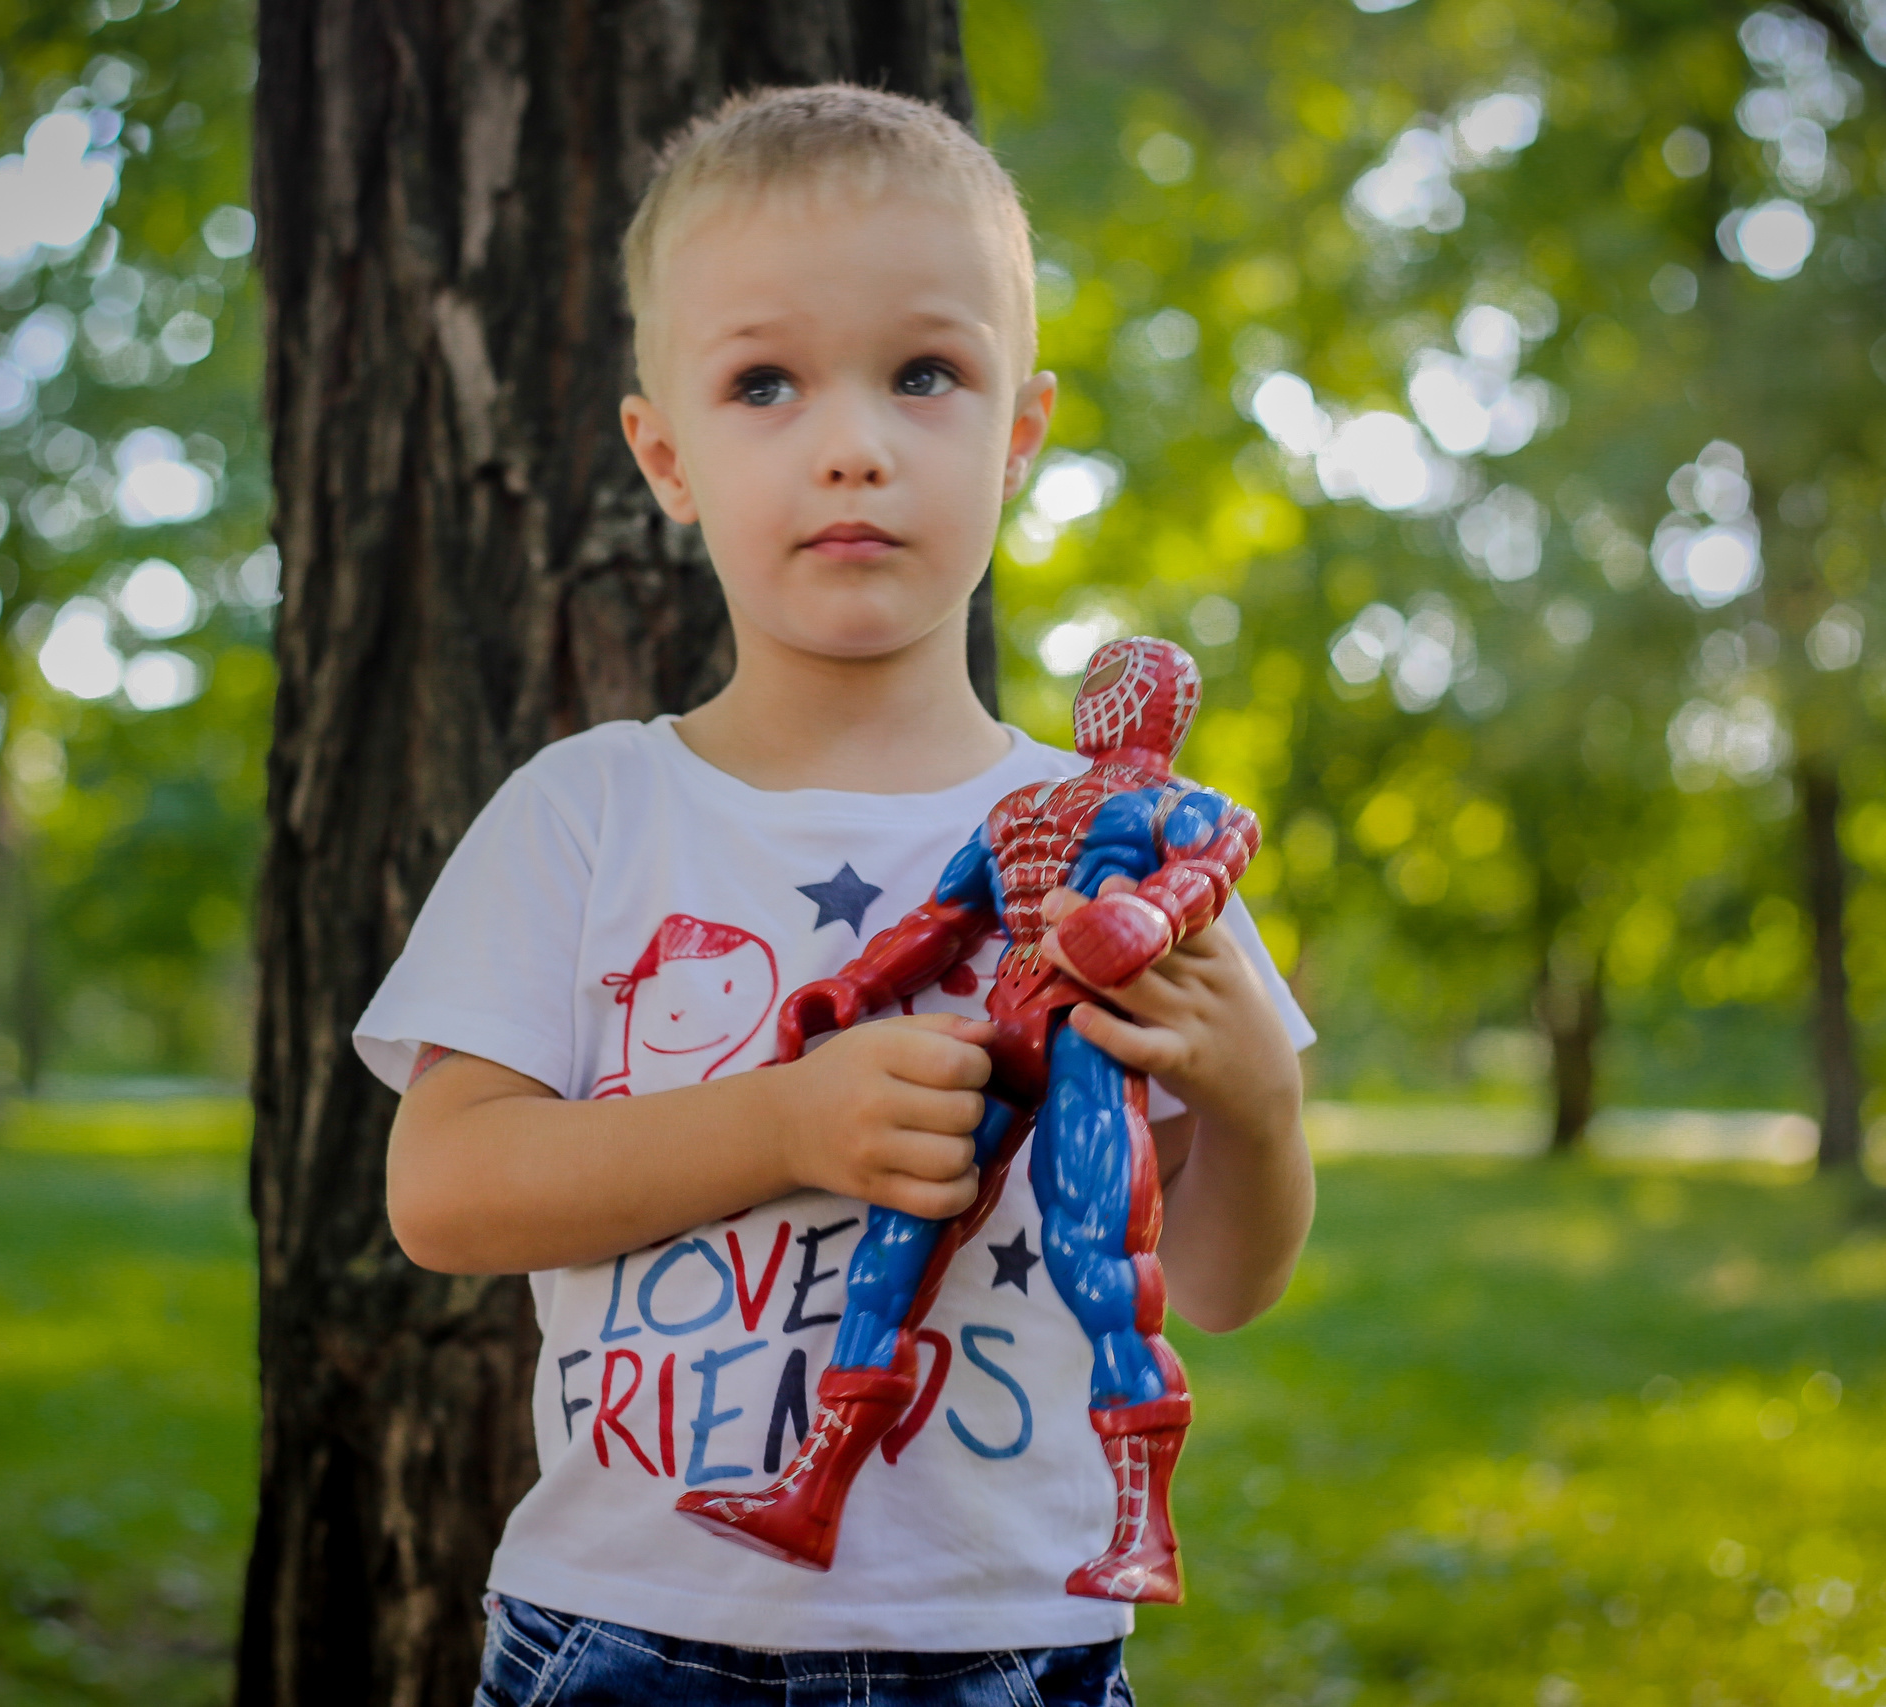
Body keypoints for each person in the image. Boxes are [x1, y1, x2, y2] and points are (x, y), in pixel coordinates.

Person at [357, 83, 1316, 1707]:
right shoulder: (590, 813)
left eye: (926, 374)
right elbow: (442, 1192)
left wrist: (1257, 1095)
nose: (854, 441)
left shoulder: (1123, 839)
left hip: (1010, 1649)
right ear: (666, 456)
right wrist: (785, 1126)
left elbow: (1216, 1286)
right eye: (765, 383)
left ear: (1019, 434)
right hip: (626, 1643)